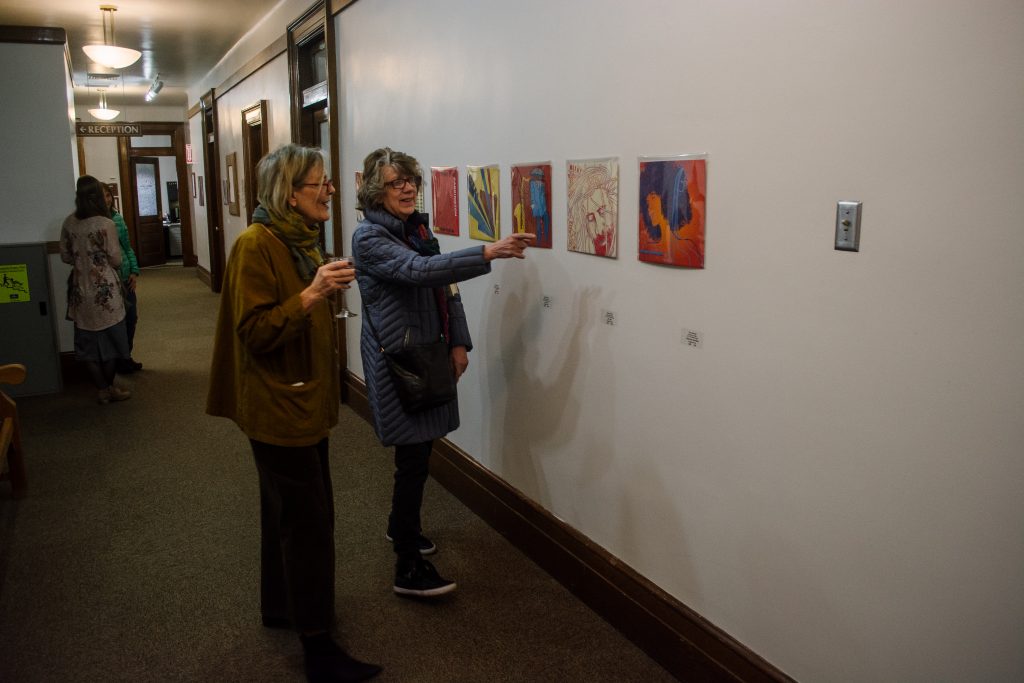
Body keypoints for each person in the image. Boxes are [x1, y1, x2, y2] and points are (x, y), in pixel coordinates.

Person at [206, 144, 380, 683]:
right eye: (318, 183)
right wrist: (312, 294)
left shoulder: (296, 239)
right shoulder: (255, 245)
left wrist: (317, 283)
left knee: (287, 511)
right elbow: (255, 331)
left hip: (300, 398)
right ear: (288, 193)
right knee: (309, 522)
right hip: (278, 405)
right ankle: (318, 647)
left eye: (327, 182)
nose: (329, 191)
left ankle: (283, 608)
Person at [352, 147, 536, 598]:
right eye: (396, 183)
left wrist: (459, 341)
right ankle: (407, 568)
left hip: (428, 356)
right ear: (376, 193)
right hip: (399, 362)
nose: (408, 188)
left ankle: (402, 528)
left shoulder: (416, 228)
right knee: (413, 457)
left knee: (418, 454)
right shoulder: (369, 239)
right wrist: (487, 252)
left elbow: (445, 288)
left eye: (411, 180)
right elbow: (420, 271)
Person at [60, 175, 132, 404]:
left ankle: (101, 390)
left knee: (87, 342)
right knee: (111, 340)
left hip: (80, 289)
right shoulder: (105, 223)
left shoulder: (69, 222)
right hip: (105, 290)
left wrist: (82, 261)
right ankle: (110, 387)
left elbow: (64, 255)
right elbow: (116, 259)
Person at [103, 185, 143, 374]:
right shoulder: (93, 223)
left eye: (108, 195)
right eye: (102, 196)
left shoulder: (118, 219)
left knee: (131, 318)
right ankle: (118, 358)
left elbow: (127, 247)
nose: (107, 199)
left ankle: (125, 356)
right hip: (107, 280)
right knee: (113, 322)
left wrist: (134, 271)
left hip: (125, 276)